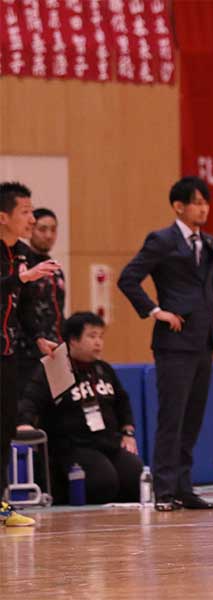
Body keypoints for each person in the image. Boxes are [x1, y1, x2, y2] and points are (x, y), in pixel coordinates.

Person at [117, 176, 213, 511]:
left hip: (204, 339)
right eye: (197, 202)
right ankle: (164, 490)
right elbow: (128, 278)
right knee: (172, 417)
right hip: (174, 343)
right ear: (179, 206)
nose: (203, 208)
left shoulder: (209, 243)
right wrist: (156, 311)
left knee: (193, 417)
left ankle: (184, 486)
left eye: (206, 202)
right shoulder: (162, 240)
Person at [17, 312, 144, 504]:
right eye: (92, 336)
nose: (98, 342)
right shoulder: (55, 368)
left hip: (107, 443)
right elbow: (31, 398)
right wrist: (24, 423)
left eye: (101, 337)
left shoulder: (103, 369)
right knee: (102, 482)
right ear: (73, 340)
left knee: (135, 475)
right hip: (73, 446)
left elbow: (122, 402)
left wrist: (127, 431)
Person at [0, 181, 58, 527]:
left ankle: (1, 502)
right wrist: (23, 279)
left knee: (5, 425)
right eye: (25, 211)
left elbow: (21, 308)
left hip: (7, 352)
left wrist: (38, 337)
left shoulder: (20, 252)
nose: (32, 218)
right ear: (3, 217)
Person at [16, 207, 66, 397]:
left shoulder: (56, 269)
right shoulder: (23, 265)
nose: (49, 235)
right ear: (31, 229)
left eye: (53, 230)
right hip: (27, 350)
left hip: (55, 350)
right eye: (42, 229)